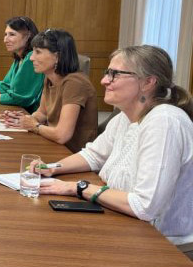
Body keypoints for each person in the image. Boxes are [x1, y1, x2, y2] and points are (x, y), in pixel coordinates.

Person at [37, 45, 193, 255]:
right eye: (107, 73)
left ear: (148, 82)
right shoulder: (125, 116)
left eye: (115, 74)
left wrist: (79, 188)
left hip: (166, 246)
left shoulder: (164, 122)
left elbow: (144, 206)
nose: (104, 80)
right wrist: (51, 168)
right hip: (129, 227)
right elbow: (93, 155)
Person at [2, 28, 97, 152]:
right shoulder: (50, 77)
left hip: (71, 152)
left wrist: (34, 126)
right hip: (53, 144)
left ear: (57, 56)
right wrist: (22, 119)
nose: (31, 58)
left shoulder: (74, 83)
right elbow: (42, 114)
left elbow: (62, 135)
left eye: (38, 52)